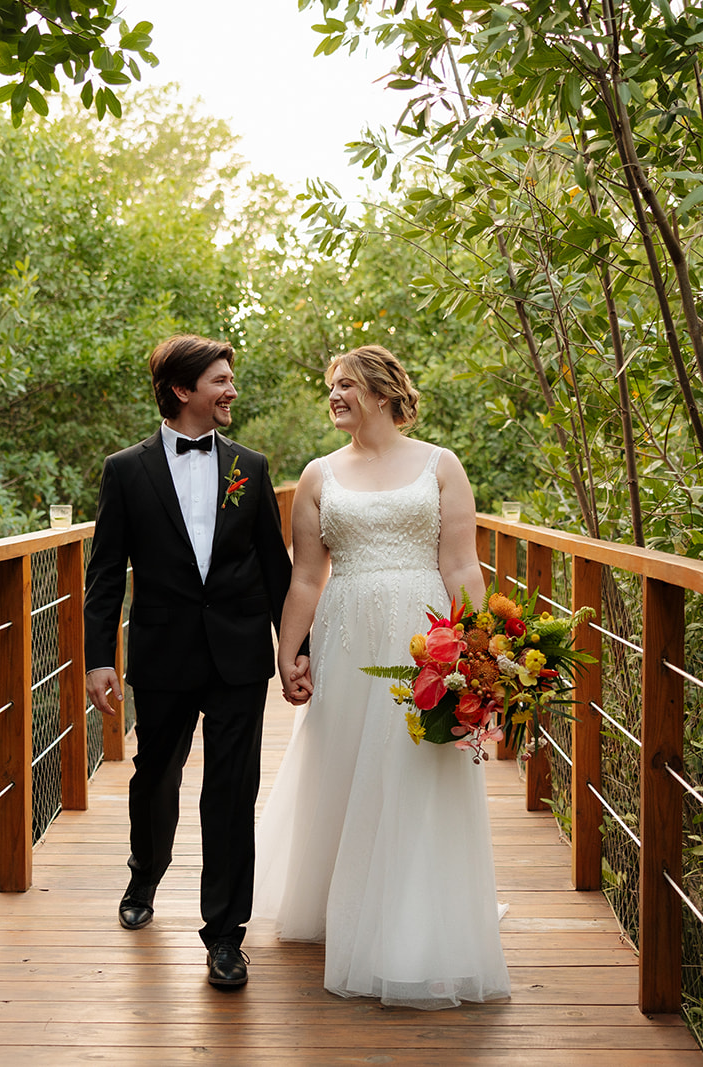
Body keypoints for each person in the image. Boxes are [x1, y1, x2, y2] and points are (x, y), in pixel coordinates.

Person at [254, 344, 511, 1009]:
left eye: (345, 384)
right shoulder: (318, 475)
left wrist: (477, 653)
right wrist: (289, 652)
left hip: (424, 630)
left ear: (382, 390)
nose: (334, 395)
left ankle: (416, 919)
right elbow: (307, 576)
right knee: (343, 762)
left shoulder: (440, 464)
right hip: (346, 631)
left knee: (417, 766)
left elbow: (462, 564)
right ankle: (346, 900)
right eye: (331, 386)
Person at [83, 334, 306, 990]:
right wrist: (100, 658)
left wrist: (296, 651)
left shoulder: (252, 467)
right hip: (162, 653)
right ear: (183, 390)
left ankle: (225, 936)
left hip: (238, 654)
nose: (231, 389)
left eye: (231, 378)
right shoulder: (125, 470)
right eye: (220, 379)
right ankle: (144, 870)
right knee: (157, 774)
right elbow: (103, 575)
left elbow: (276, 566)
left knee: (232, 792)